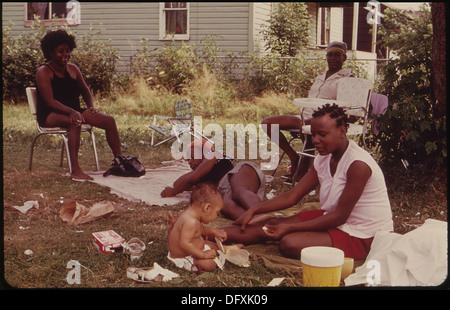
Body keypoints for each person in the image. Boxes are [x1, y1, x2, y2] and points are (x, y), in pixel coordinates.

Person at [222, 104, 394, 260]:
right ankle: (210, 234)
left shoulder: (358, 165)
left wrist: (290, 228)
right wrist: (254, 209)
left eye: (322, 134)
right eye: (312, 135)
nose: (315, 140)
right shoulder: (324, 158)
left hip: (363, 234)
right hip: (334, 218)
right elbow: (292, 196)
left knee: (289, 243)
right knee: (271, 225)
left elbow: (340, 216)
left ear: (342, 131)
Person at [35, 29, 122, 181]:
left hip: (75, 111)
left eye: (68, 51)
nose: (65, 55)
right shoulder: (44, 71)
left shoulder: (73, 69)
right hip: (50, 114)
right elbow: (49, 101)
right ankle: (75, 170)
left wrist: (90, 106)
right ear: (50, 53)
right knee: (75, 121)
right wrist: (72, 112)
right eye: (60, 51)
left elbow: (85, 90)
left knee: (109, 120)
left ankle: (120, 162)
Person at [261, 41, 353, 182]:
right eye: (330, 55)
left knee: (304, 126)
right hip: (305, 115)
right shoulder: (320, 77)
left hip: (325, 118)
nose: (333, 58)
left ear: (344, 58)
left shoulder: (347, 78)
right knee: (268, 123)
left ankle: (302, 171)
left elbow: (345, 107)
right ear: (326, 57)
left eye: (338, 55)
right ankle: (294, 157)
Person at [161, 138, 267, 221]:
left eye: (193, 157)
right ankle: (260, 222)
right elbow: (180, 182)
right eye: (188, 159)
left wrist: (174, 191)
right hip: (231, 191)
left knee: (240, 192)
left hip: (239, 175)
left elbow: (191, 179)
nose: (189, 162)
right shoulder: (202, 174)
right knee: (225, 205)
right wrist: (196, 171)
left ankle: (261, 214)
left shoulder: (213, 155)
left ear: (205, 153)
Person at [167, 182, 228, 272]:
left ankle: (225, 250)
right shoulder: (190, 221)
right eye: (217, 213)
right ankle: (198, 263)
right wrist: (203, 255)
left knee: (211, 245)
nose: (216, 216)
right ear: (206, 208)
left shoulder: (191, 215)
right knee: (209, 264)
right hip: (184, 257)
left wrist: (213, 231)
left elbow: (197, 230)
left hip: (193, 250)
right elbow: (185, 244)